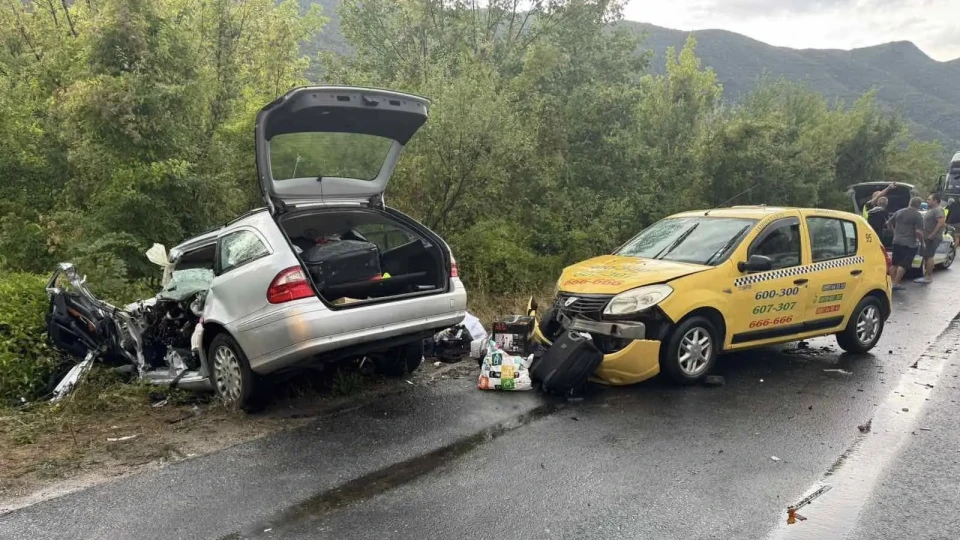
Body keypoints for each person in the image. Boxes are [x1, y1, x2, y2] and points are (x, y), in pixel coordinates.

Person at [887, 196, 924, 291]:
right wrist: (922, 242)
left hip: (896, 240)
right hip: (909, 243)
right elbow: (918, 232)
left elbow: (888, 223)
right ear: (919, 205)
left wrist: (894, 232)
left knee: (894, 264)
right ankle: (896, 283)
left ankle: (890, 282)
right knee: (903, 265)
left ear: (910, 202)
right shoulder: (917, 215)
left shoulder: (899, 212)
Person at [915, 193, 946, 285]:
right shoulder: (932, 210)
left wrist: (933, 234)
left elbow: (941, 222)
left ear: (935, 200)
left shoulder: (938, 210)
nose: (927, 201)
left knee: (929, 256)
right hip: (927, 236)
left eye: (929, 199)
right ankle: (926, 275)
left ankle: (928, 277)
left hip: (932, 237)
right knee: (926, 255)